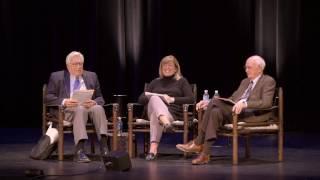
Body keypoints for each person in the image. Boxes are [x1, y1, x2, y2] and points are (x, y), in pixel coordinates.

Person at [176, 55, 276, 165]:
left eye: (249, 67)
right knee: (215, 111)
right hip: (235, 112)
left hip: (252, 114)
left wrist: (245, 103)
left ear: (260, 68)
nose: (246, 70)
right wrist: (208, 102)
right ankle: (204, 155)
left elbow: (266, 103)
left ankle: (198, 142)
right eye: (246, 67)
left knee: (215, 102)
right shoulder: (245, 82)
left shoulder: (268, 81)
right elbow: (232, 99)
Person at [46, 51, 109, 163]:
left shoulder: (91, 76)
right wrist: (65, 101)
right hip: (67, 111)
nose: (79, 67)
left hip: (88, 108)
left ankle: (104, 148)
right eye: (75, 64)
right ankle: (79, 150)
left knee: (98, 108)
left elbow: (100, 98)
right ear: (68, 65)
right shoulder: (57, 76)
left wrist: (94, 102)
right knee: (80, 109)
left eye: (81, 64)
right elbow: (48, 98)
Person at [138, 55, 195, 161]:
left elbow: (191, 99)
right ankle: (166, 123)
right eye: (164, 65)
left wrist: (172, 99)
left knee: (156, 115)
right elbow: (140, 99)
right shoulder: (155, 82)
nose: (167, 68)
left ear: (176, 68)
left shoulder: (182, 81)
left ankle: (152, 150)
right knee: (155, 98)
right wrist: (153, 96)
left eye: (170, 65)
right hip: (152, 111)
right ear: (161, 68)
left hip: (171, 113)